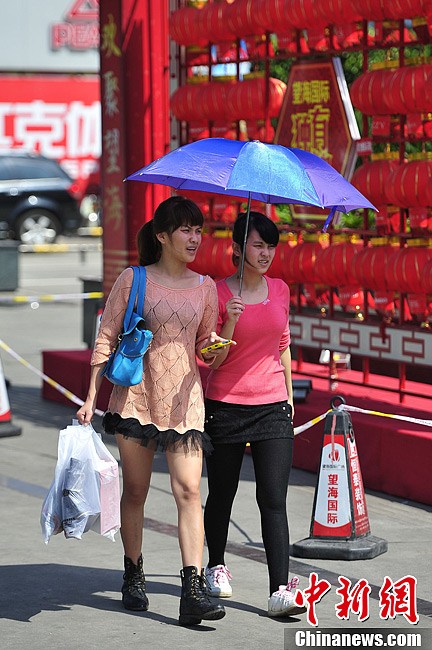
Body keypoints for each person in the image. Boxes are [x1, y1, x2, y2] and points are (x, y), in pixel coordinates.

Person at [77, 196, 226, 626]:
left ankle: (192, 589)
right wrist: (90, 398)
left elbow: (205, 348)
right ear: (162, 236)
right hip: (138, 399)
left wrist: (222, 336)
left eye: (198, 229)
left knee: (189, 492)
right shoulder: (134, 279)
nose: (195, 238)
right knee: (137, 491)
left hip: (185, 401)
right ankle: (133, 571)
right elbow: (106, 335)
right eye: (186, 229)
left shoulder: (206, 287)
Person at [203, 211, 306, 618]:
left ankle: (279, 589)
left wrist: (289, 398)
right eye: (258, 245)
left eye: (271, 246)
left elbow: (283, 344)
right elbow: (211, 360)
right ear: (238, 247)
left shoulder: (279, 289)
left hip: (273, 407)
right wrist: (229, 321)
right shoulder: (215, 292)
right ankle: (215, 566)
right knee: (222, 494)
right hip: (226, 404)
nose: (266, 254)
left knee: (273, 499)